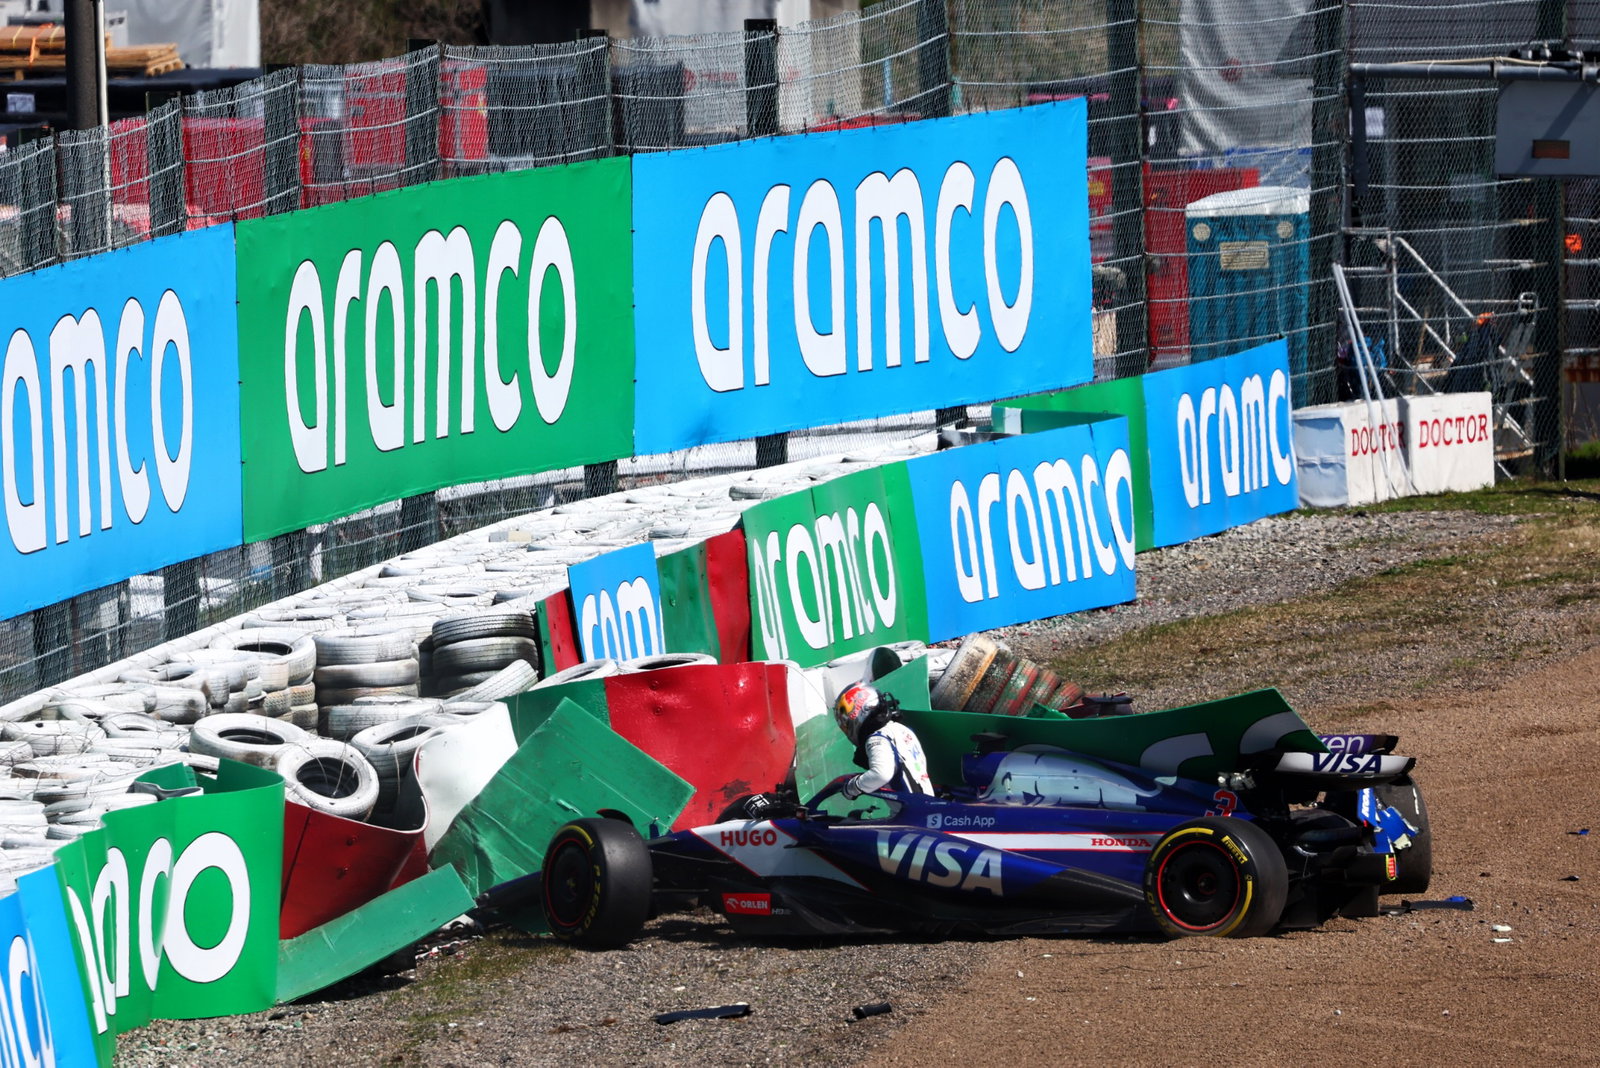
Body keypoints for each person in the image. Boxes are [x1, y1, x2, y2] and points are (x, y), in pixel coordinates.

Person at [833, 684, 934, 799]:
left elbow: (881, 774)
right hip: (927, 804)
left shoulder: (877, 738)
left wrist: (852, 787)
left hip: (913, 811)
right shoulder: (900, 729)